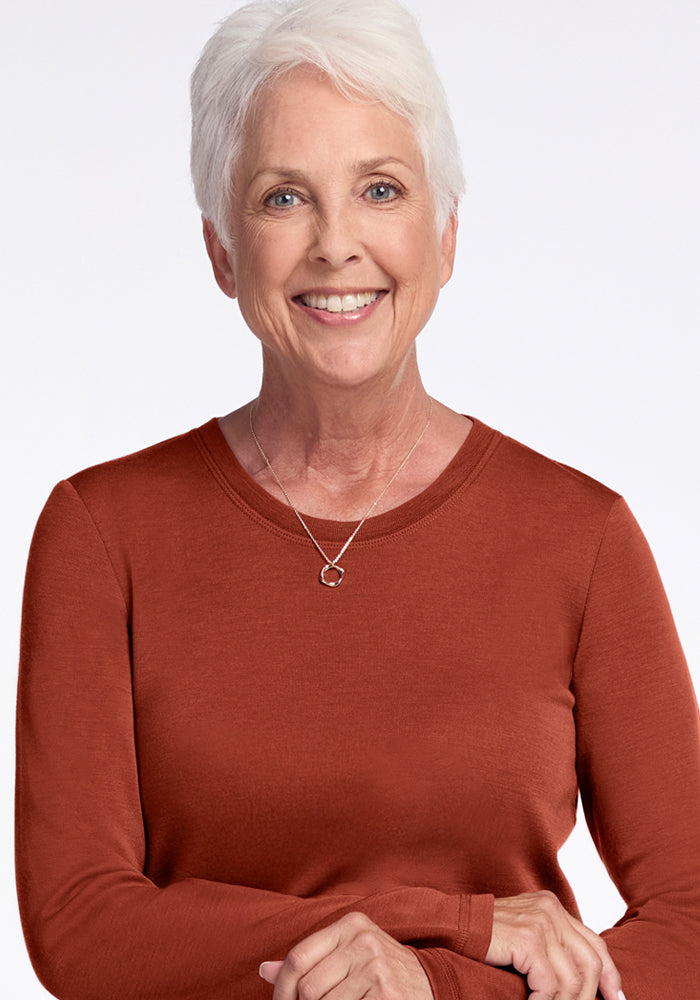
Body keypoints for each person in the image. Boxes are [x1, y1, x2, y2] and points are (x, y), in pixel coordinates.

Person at [15, 0, 700, 998]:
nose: (337, 243)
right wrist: (448, 920)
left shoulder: (578, 537)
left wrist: (437, 984)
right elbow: (78, 924)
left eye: (379, 189)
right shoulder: (100, 532)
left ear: (445, 237)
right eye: (283, 198)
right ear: (220, 251)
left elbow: (691, 922)